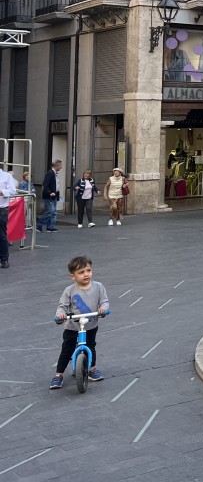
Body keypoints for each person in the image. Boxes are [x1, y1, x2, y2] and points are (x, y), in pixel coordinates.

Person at [50, 255, 110, 388]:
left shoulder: (98, 287)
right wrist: (60, 315)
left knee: (91, 346)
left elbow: (104, 301)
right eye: (81, 272)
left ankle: (92, 369)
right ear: (73, 276)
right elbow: (62, 306)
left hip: (91, 325)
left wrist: (103, 309)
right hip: (73, 326)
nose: (86, 274)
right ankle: (58, 375)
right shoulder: (69, 290)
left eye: (88, 270)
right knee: (67, 349)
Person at [37, 160, 63, 233]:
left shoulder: (55, 173)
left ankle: (50, 227)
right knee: (50, 212)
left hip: (54, 195)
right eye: (60, 165)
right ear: (56, 166)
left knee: (53, 212)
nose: (61, 167)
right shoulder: (50, 173)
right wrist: (49, 192)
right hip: (49, 196)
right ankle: (39, 224)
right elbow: (45, 184)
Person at [0, 167, 16, 268]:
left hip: (1, 208)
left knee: (1, 234)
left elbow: (13, 191)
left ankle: (4, 259)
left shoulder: (7, 176)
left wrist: (2, 192)